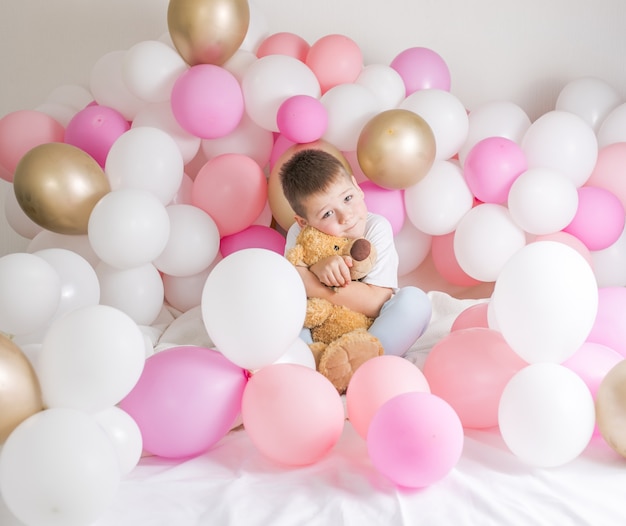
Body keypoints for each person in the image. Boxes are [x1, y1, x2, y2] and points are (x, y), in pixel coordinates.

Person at [279, 148, 432, 360]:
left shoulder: (376, 227)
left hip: (368, 331)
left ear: (357, 187)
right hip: (318, 333)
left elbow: (377, 302)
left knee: (416, 302)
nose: (346, 216)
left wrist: (311, 278)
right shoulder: (299, 234)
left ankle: (357, 362)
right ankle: (311, 363)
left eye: (348, 198)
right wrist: (318, 267)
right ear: (304, 222)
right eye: (327, 213)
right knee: (285, 312)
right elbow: (293, 290)